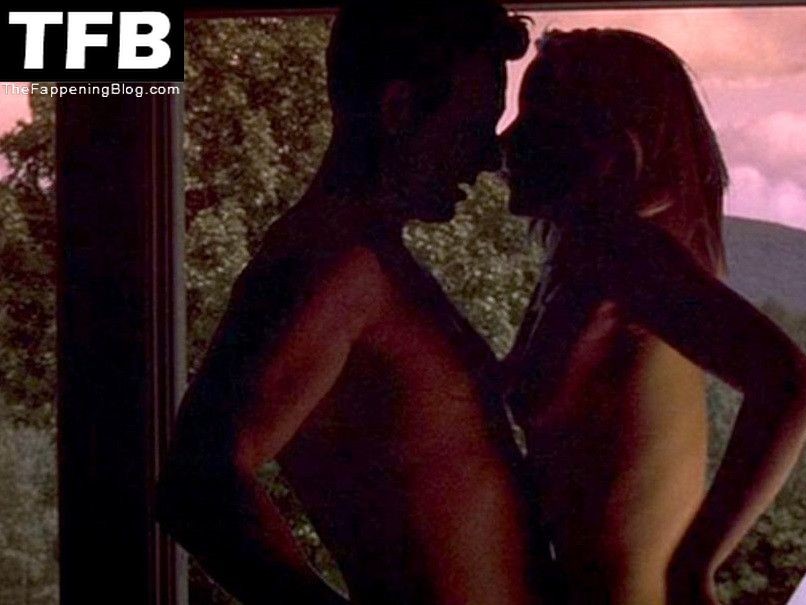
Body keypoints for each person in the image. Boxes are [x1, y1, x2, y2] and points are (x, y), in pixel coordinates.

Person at [156, 3, 540, 604]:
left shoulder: (367, 259)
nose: (490, 157)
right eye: (473, 125)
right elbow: (198, 484)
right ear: (399, 109)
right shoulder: (337, 262)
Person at [500, 29, 806, 605]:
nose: (508, 139)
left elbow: (792, 384)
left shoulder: (628, 255)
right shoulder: (584, 260)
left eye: (536, 119)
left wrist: (695, 566)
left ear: (605, 145)